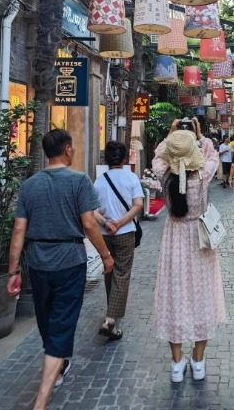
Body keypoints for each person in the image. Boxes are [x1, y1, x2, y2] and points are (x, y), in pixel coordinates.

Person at [7, 129, 114, 410]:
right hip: (70, 260)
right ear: (67, 149)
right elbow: (90, 223)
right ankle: (41, 401)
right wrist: (106, 256)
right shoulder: (79, 180)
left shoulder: (30, 185)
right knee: (62, 322)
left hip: (37, 261)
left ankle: (58, 361)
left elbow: (19, 228)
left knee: (47, 318)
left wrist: (13, 270)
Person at [152, 117, 226, 383]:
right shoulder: (203, 175)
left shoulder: (165, 175)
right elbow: (211, 154)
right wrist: (198, 134)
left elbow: (159, 156)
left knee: (174, 297)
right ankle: (198, 360)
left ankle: (175, 364)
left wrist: (172, 134)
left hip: (174, 242)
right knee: (202, 297)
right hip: (199, 240)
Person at [93, 141, 144, 340]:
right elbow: (138, 205)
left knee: (109, 270)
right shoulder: (130, 177)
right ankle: (111, 319)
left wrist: (107, 224)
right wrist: (121, 222)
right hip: (125, 233)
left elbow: (92, 209)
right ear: (124, 158)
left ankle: (111, 311)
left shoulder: (99, 180)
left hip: (105, 235)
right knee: (121, 274)